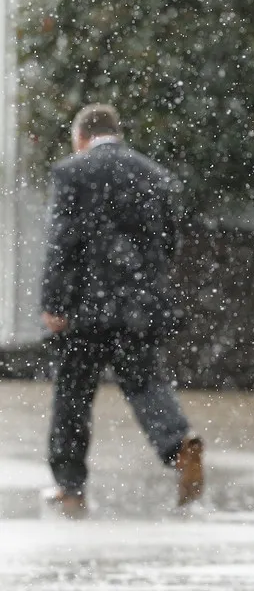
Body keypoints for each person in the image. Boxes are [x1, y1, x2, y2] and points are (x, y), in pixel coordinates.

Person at [40, 104, 204, 517]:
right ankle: (179, 445)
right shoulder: (152, 174)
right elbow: (169, 242)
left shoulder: (71, 173)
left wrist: (54, 302)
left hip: (85, 309)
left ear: (81, 136)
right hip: (138, 307)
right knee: (146, 383)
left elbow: (62, 243)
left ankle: (70, 487)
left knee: (72, 397)